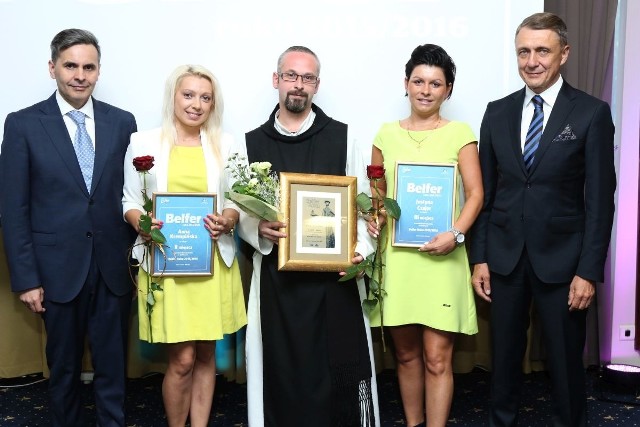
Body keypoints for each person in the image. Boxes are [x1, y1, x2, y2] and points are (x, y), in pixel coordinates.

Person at [469, 12, 616, 427]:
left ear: (564, 54)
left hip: (565, 265)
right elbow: (485, 193)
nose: (531, 61)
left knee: (567, 366)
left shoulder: (591, 113)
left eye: (542, 51)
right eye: (524, 51)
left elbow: (601, 201)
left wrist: (589, 271)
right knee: (503, 363)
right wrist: (480, 258)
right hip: (504, 259)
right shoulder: (496, 112)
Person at [235, 46, 379, 426]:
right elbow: (239, 215)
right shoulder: (249, 144)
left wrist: (361, 250)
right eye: (291, 76)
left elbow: (363, 208)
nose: (299, 85)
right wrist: (258, 230)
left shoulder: (343, 138)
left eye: (308, 77)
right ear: (276, 80)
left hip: (334, 284)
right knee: (281, 375)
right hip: (277, 285)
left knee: (340, 378)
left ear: (317, 84)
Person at [0, 29, 137, 426]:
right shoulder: (23, 124)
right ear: (52, 68)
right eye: (70, 65)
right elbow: (14, 207)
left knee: (113, 368)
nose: (80, 75)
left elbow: (130, 193)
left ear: (98, 71)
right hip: (55, 271)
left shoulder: (122, 122)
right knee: (63, 370)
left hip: (112, 268)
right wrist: (26, 279)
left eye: (88, 67)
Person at [122, 65, 247, 427]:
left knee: (207, 356)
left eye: (205, 97)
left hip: (211, 261)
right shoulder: (142, 142)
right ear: (173, 96)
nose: (196, 104)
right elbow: (128, 200)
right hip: (166, 263)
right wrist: (140, 222)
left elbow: (237, 199)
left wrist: (229, 218)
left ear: (213, 104)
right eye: (188, 95)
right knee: (182, 360)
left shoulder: (227, 143)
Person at [366, 44, 483, 427]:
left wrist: (455, 234)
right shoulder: (385, 135)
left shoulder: (460, 134)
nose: (425, 90)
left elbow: (476, 194)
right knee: (405, 356)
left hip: (443, 258)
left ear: (447, 89)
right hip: (398, 261)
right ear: (406, 83)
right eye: (418, 80)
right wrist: (375, 218)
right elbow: (379, 197)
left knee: (437, 358)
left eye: (436, 83)